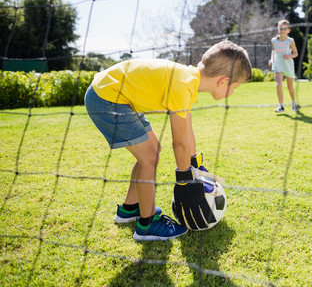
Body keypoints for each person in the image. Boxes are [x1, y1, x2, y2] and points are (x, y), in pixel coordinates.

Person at [84, 40, 252, 241]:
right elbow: (179, 142)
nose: (233, 92)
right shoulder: (183, 85)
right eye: (235, 87)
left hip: (117, 96)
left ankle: (129, 210)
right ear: (223, 81)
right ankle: (146, 225)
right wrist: (185, 182)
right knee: (148, 157)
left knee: (153, 150)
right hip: (106, 97)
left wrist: (193, 166)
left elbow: (188, 133)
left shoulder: (189, 80)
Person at [269, 19, 300, 112]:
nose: (282, 30)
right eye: (280, 28)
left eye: (284, 28)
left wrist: (289, 56)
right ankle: (281, 106)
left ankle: (294, 103)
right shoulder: (274, 40)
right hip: (278, 65)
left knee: (290, 87)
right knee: (278, 84)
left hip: (288, 65)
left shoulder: (291, 41)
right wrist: (271, 59)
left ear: (288, 30)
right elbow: (273, 50)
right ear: (278, 29)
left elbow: (296, 53)